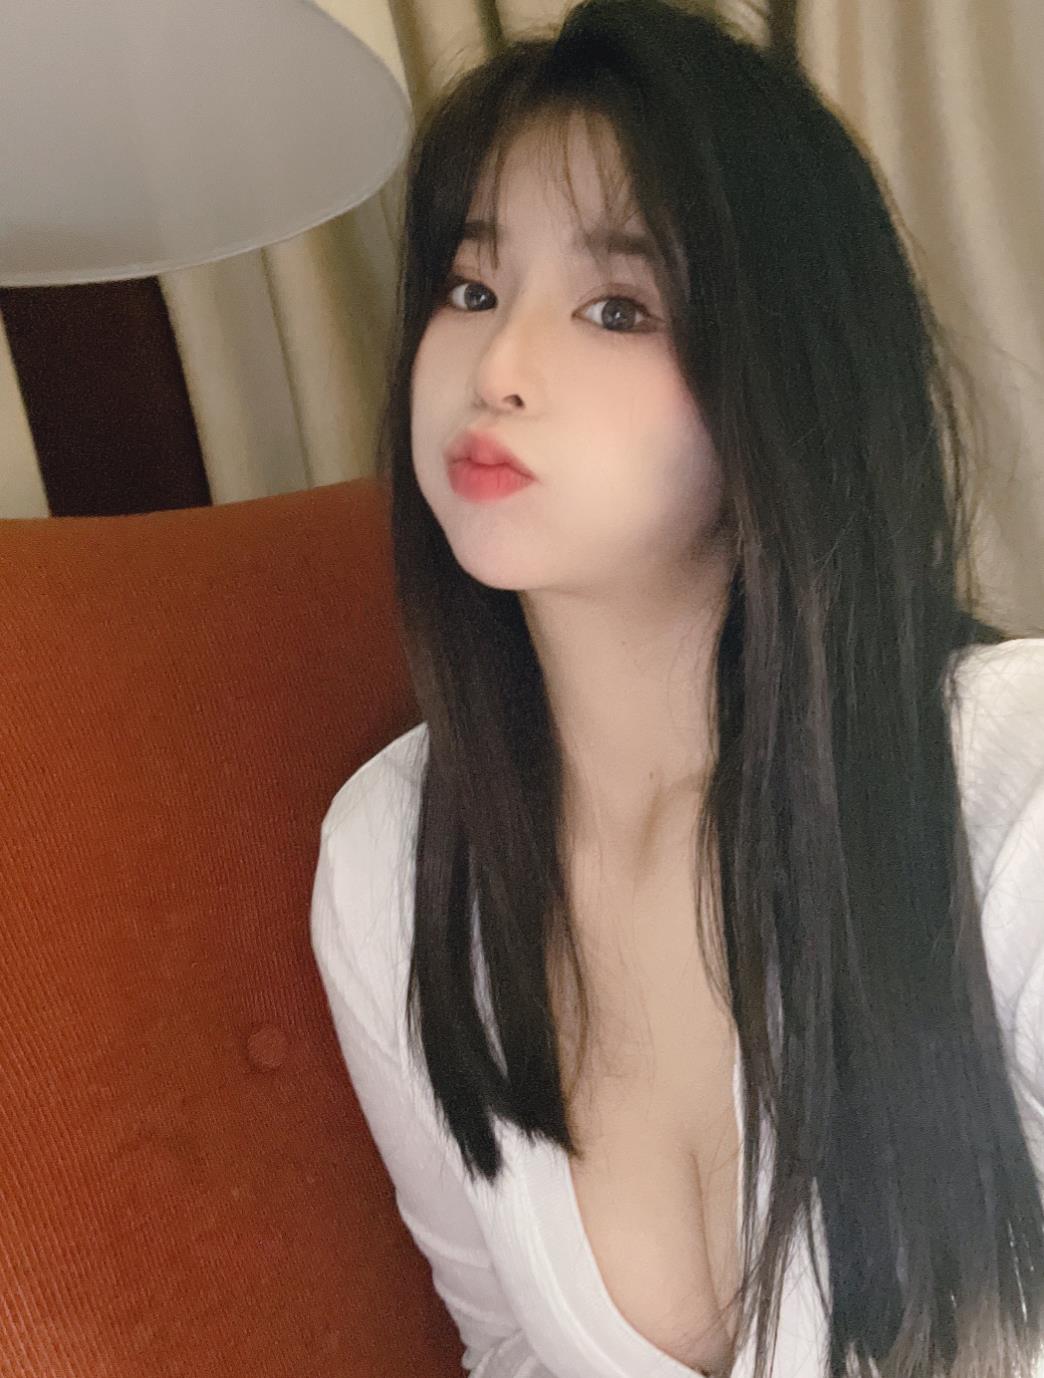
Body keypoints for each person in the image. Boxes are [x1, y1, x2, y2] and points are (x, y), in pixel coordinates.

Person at [310, 1, 1044, 1374]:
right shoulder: (388, 864)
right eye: (471, 289)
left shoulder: (1012, 787)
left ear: (787, 373)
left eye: (616, 308)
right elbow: (509, 1350)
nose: (498, 369)